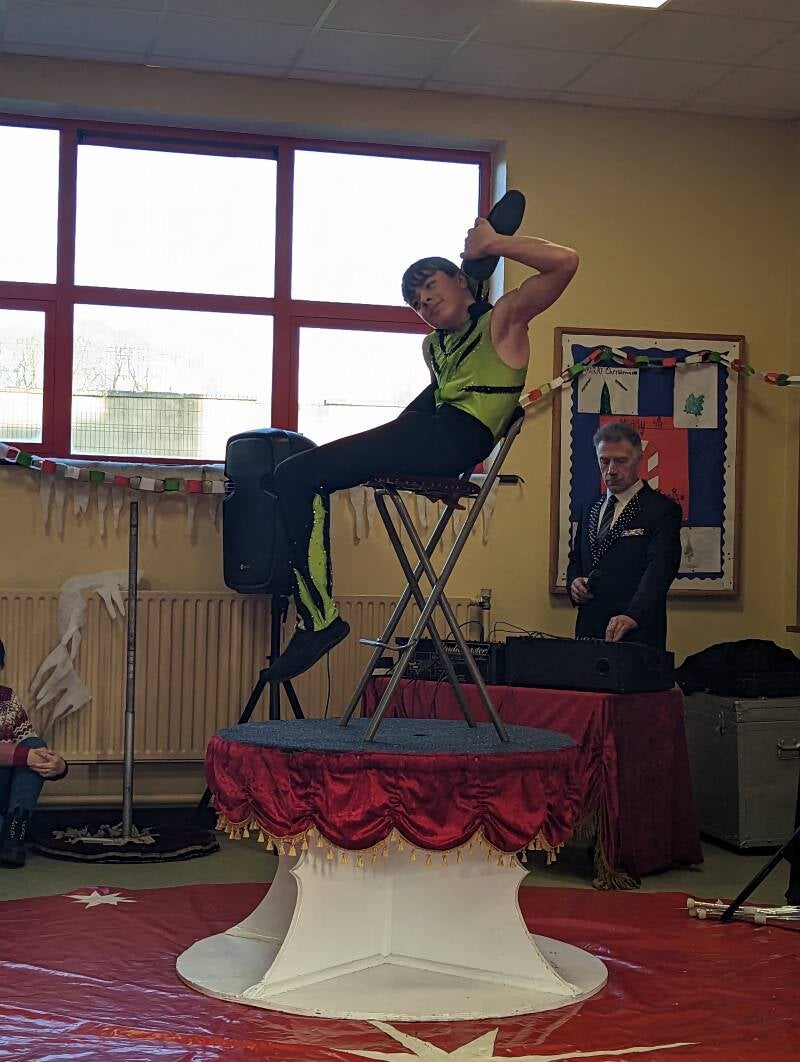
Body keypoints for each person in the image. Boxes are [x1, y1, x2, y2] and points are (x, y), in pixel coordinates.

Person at [266, 215, 580, 681]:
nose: (424, 302)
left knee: (294, 475)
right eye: (415, 301)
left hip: (458, 436)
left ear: (461, 281)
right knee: (296, 475)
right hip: (434, 438)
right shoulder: (433, 347)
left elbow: (564, 262)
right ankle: (318, 617)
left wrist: (495, 243)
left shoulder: (502, 321)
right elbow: (416, 416)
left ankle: (319, 621)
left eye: (430, 287)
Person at [566, 421, 682, 649]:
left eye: (620, 461)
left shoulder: (661, 510)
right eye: (604, 461)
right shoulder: (590, 507)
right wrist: (574, 583)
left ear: (638, 459)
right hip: (589, 629)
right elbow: (576, 558)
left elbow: (660, 570)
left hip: (636, 631)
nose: (611, 470)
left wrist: (633, 615)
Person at [0, 639, 68, 867]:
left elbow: (30, 743)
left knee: (34, 743)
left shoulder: (6, 698)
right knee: (26, 753)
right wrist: (27, 756)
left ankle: (15, 830)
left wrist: (58, 766)